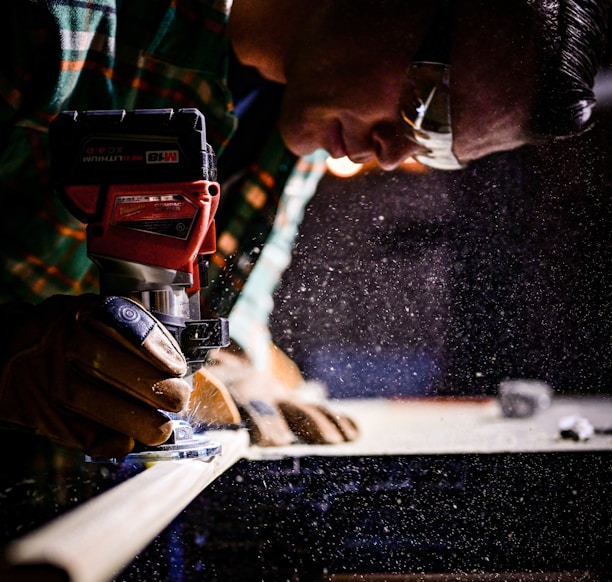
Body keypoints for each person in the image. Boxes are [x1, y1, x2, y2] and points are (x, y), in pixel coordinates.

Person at [0, 0, 608, 459]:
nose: (394, 155)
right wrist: (10, 356)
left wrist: (237, 370)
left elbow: (237, 311)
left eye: (439, 145)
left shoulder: (304, 127)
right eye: (428, 105)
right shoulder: (59, 26)